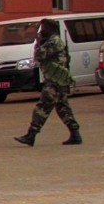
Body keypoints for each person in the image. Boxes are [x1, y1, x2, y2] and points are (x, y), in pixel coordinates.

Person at [14, 18, 82, 146]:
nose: (42, 31)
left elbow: (39, 55)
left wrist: (39, 43)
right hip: (58, 79)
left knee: (43, 107)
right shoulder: (55, 41)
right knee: (63, 107)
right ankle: (75, 133)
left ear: (50, 29)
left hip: (54, 80)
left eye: (43, 28)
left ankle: (31, 134)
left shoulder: (53, 42)